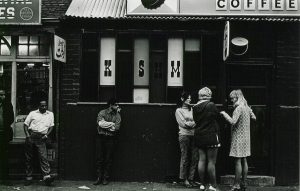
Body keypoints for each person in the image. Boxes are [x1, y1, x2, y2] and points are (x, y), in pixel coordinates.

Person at [220, 90, 256, 191]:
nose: (231, 100)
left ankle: (236, 185)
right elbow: (254, 117)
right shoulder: (246, 107)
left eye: (232, 98)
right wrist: (250, 111)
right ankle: (244, 183)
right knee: (244, 160)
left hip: (238, 137)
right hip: (246, 138)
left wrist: (224, 114)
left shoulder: (238, 108)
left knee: (237, 161)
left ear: (237, 97)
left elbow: (233, 121)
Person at [193, 87, 221, 191]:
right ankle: (213, 186)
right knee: (211, 162)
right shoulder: (211, 105)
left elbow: (196, 120)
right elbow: (217, 117)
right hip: (211, 136)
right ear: (209, 95)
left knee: (201, 160)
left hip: (199, 135)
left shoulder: (195, 107)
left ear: (200, 95)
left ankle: (202, 184)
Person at [23, 100, 56, 186]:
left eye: (45, 106)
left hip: (42, 137)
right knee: (29, 158)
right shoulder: (32, 113)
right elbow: (25, 125)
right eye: (42, 106)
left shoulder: (50, 114)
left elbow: (51, 126)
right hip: (32, 135)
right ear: (39, 106)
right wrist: (27, 136)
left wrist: (46, 136)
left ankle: (47, 177)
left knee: (43, 157)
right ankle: (28, 177)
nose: (44, 107)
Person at [94, 98, 121, 186]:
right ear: (111, 105)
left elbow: (116, 128)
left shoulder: (118, 115)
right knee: (99, 158)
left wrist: (106, 125)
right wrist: (111, 124)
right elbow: (100, 124)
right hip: (100, 138)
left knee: (108, 159)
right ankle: (99, 177)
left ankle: (105, 178)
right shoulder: (102, 112)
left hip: (110, 139)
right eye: (116, 105)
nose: (118, 106)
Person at [175, 92, 198, 188]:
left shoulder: (192, 109)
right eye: (187, 98)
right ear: (182, 99)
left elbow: (197, 120)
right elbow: (183, 124)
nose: (189, 100)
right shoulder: (178, 110)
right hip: (184, 135)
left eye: (190, 98)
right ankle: (184, 179)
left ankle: (191, 178)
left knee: (194, 157)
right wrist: (193, 123)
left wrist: (191, 122)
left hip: (194, 135)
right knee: (185, 157)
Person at [0, 90, 14, 185]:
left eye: (2, 95)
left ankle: (4, 178)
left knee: (4, 156)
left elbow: (11, 118)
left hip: (4, 134)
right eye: (0, 95)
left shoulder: (8, 105)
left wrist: (4, 126)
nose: (1, 96)